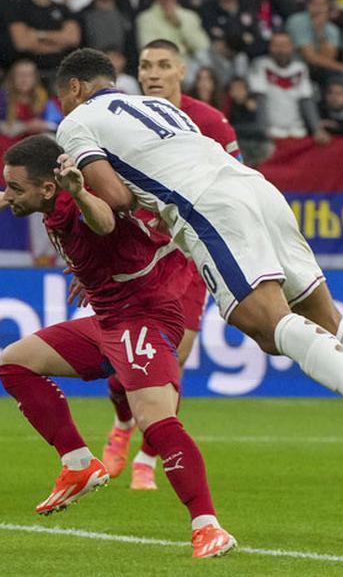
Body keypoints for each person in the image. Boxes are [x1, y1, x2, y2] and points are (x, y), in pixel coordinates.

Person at [54, 47, 343, 481]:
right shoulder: (159, 108)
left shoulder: (75, 123)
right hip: (257, 190)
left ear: (73, 88)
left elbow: (118, 197)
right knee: (331, 323)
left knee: (263, 322)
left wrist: (83, 211)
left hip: (210, 208)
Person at [0, 135, 236, 560]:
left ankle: (207, 527)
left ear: (49, 188)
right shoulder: (50, 202)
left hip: (143, 315)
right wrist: (7, 199)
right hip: (107, 317)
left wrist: (78, 191)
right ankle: (77, 464)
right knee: (15, 362)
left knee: (156, 421)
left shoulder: (75, 199)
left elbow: (104, 221)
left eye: (16, 188)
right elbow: (83, 226)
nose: (10, 194)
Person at [100, 39, 240, 490]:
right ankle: (123, 424)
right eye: (145, 66)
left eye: (163, 65)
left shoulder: (209, 122)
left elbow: (237, 183)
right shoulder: (122, 120)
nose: (153, 74)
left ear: (182, 71)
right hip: (139, 254)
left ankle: (146, 456)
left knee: (171, 365)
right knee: (125, 368)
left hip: (189, 253)